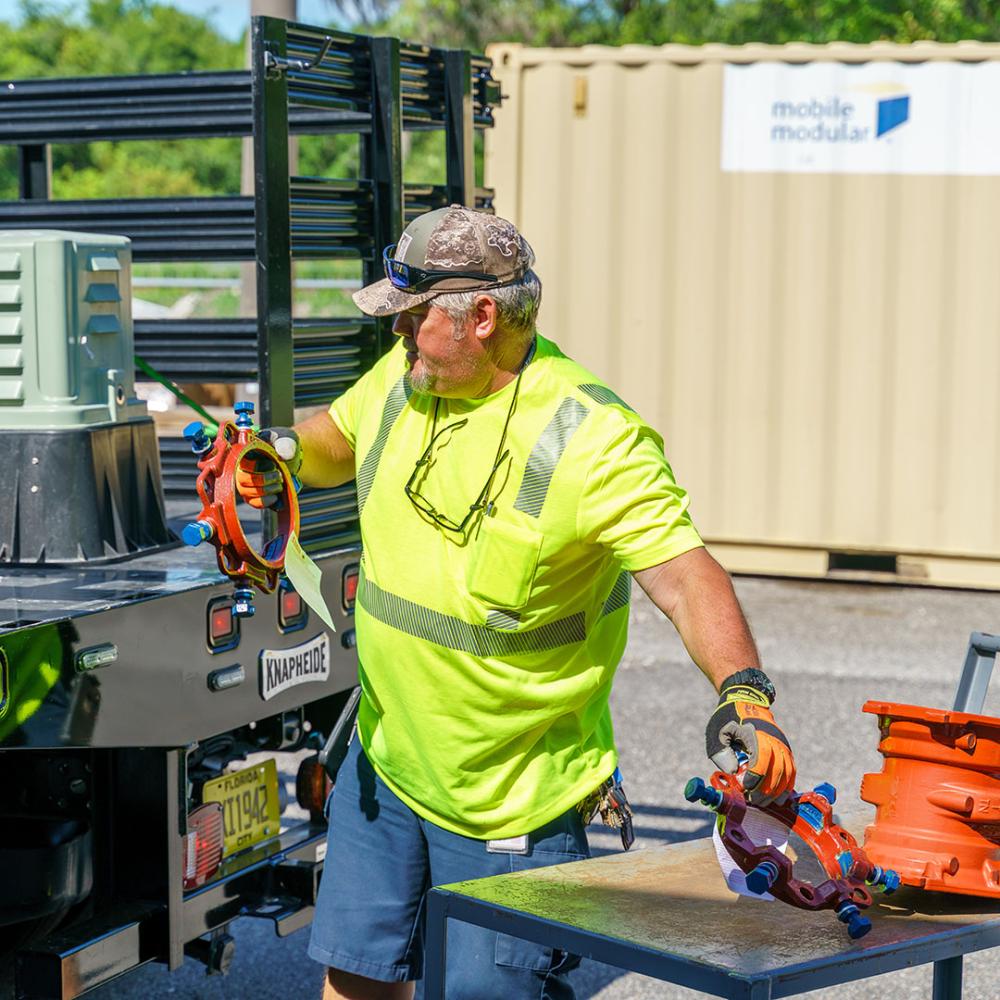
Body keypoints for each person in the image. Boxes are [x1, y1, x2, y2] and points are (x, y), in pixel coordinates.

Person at [237, 205, 797, 1000]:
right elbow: (338, 436)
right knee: (356, 980)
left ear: (483, 318)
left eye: (411, 319)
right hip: (388, 761)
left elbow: (685, 574)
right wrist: (279, 455)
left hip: (514, 801)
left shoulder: (594, 437)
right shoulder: (410, 377)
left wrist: (745, 694)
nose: (395, 336)